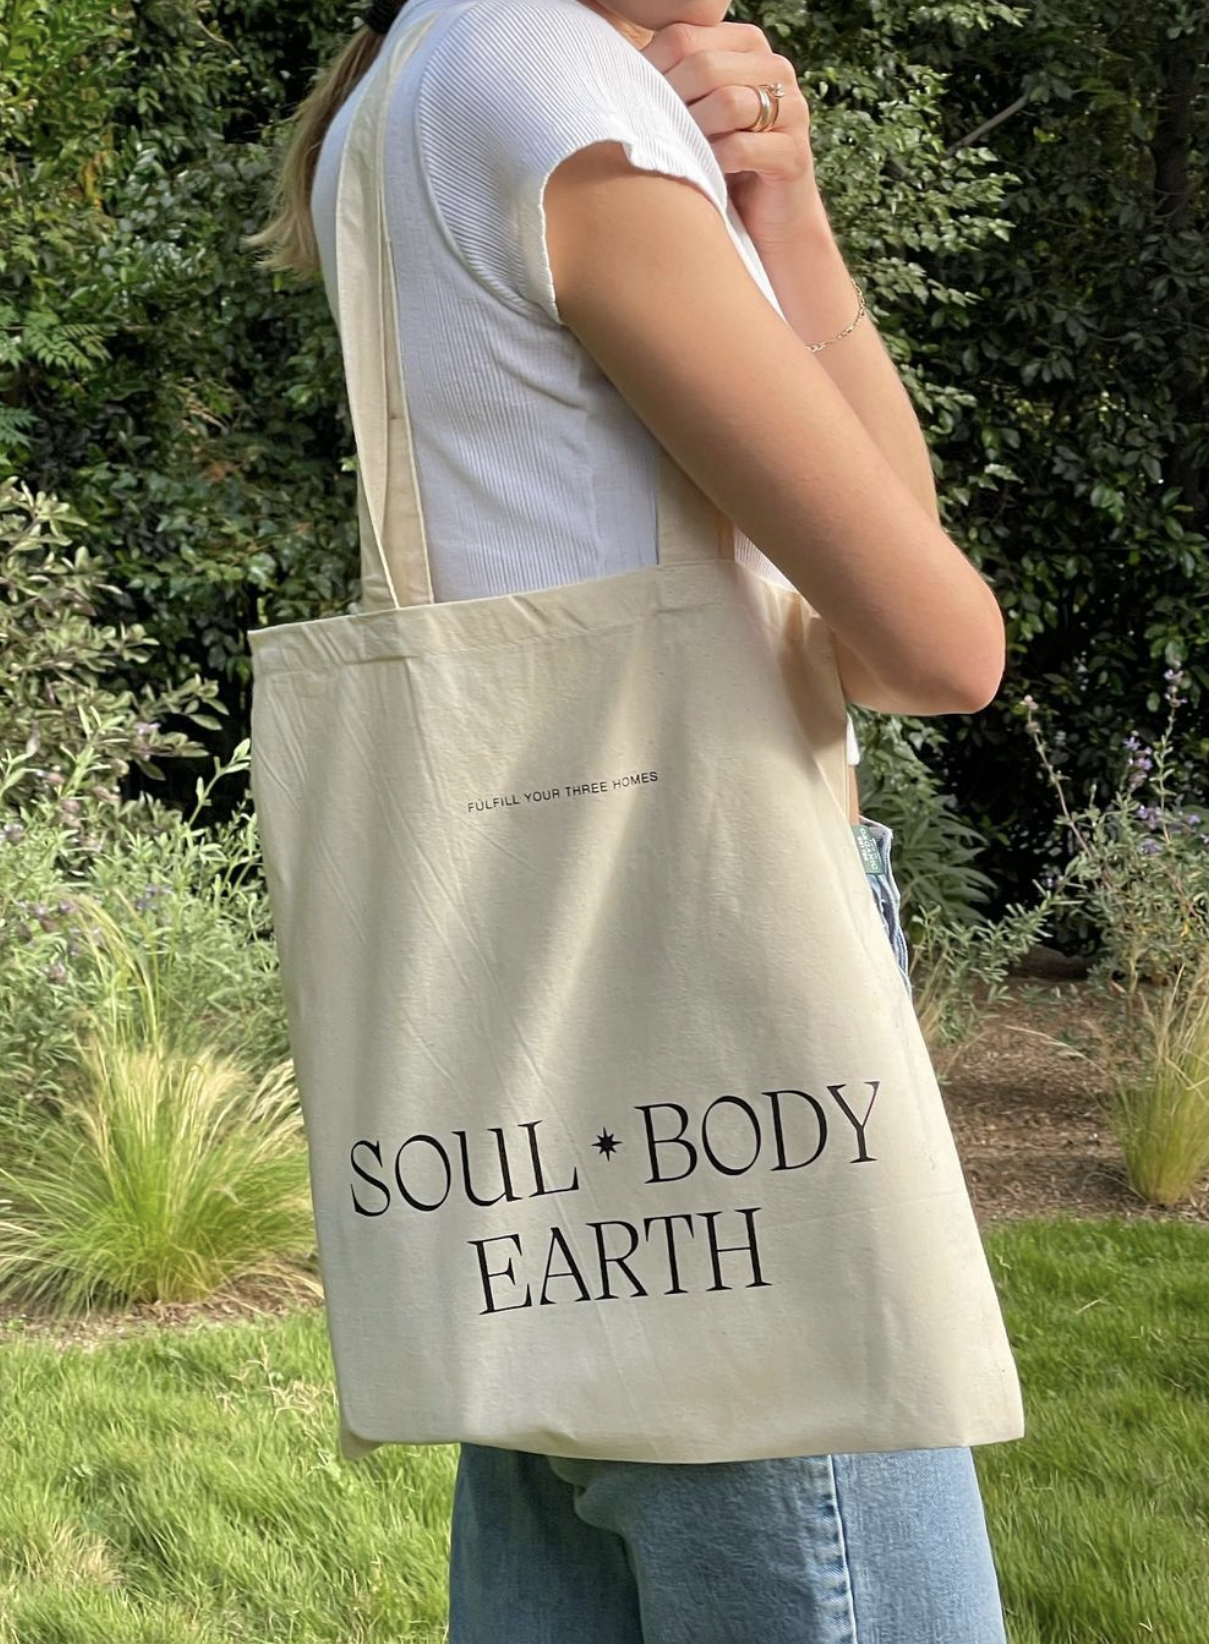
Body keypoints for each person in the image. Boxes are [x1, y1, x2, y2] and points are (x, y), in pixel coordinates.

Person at [248, 1, 1011, 1639]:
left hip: (541, 1041)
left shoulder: (428, 72)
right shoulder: (555, 86)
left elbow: (891, 573)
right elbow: (932, 649)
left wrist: (779, 208)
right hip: (724, 1015)